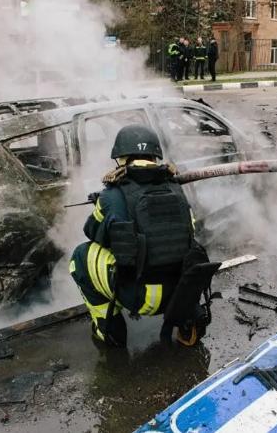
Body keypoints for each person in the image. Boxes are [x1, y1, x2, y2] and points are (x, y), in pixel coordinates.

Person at [69, 125, 220, 348]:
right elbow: (189, 232)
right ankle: (188, 319)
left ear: (122, 158)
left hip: (140, 298)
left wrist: (103, 203)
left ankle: (109, 329)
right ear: (154, 156)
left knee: (80, 256)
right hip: (181, 292)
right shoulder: (176, 189)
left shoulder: (112, 194)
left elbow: (91, 232)